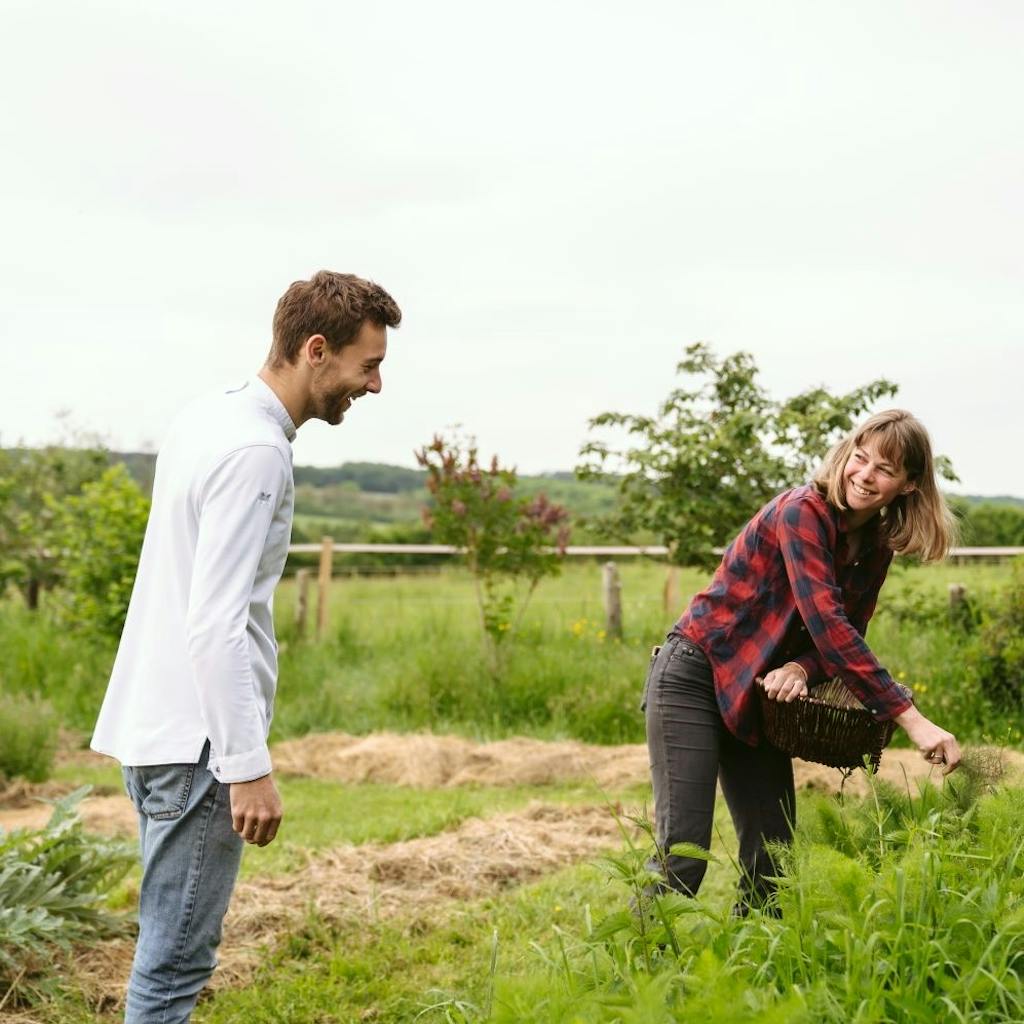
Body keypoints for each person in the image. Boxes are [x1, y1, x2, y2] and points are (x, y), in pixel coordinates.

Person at [90, 271, 402, 1023]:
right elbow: (216, 621)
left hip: (154, 728)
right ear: (315, 350)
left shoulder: (209, 417)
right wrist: (247, 767)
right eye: (368, 364)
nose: (377, 384)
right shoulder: (258, 451)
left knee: (164, 953)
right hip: (198, 746)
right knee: (173, 968)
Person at [642, 409, 961, 912]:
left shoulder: (875, 546)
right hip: (695, 676)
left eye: (884, 469)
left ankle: (755, 971)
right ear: (845, 456)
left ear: (908, 485)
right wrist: (908, 716)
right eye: (860, 459)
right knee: (685, 854)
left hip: (758, 692)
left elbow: (843, 634)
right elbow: (829, 624)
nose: (865, 475)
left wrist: (800, 669)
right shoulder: (801, 512)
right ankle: (637, 970)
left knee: (775, 858)